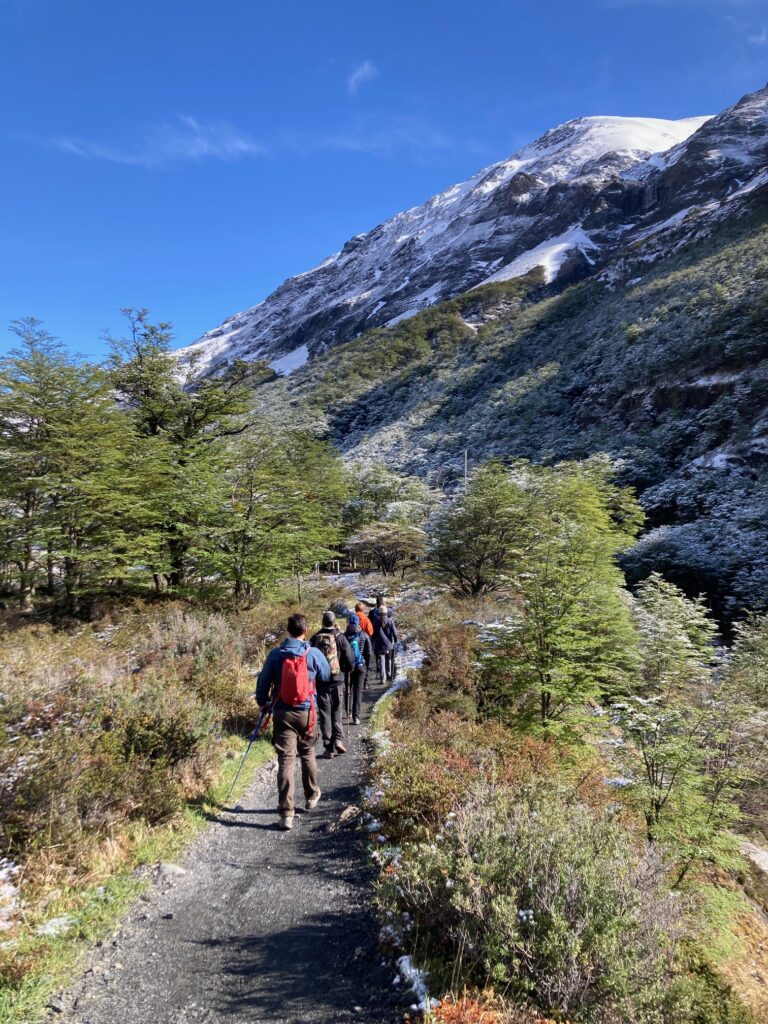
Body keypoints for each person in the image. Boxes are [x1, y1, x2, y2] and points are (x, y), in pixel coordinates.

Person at [255, 613, 330, 831]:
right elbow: (325, 675)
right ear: (305, 631)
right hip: (307, 712)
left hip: (282, 712)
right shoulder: (313, 653)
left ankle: (286, 813)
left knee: (286, 760)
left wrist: (263, 702)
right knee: (307, 753)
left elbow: (263, 682)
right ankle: (312, 795)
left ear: (288, 630)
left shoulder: (276, 654)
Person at [310, 610, 355, 759]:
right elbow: (349, 659)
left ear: (323, 622)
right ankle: (338, 739)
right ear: (335, 621)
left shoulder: (315, 638)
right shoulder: (340, 637)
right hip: (337, 680)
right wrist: (347, 670)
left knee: (324, 713)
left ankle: (328, 747)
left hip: (321, 682)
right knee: (337, 710)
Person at [344, 613, 373, 724]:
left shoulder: (344, 636)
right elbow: (369, 652)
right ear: (358, 622)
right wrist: (366, 666)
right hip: (360, 666)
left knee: (348, 690)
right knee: (358, 691)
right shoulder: (364, 635)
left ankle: (348, 712)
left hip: (348, 667)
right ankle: (356, 717)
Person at [371, 600, 398, 683]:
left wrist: (373, 642)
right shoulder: (390, 621)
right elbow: (394, 633)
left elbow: (374, 634)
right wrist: (395, 640)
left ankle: (383, 678)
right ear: (386, 613)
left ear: (379, 613)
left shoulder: (376, 622)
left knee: (382, 661)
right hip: (389, 644)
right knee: (389, 659)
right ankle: (389, 674)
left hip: (379, 645)